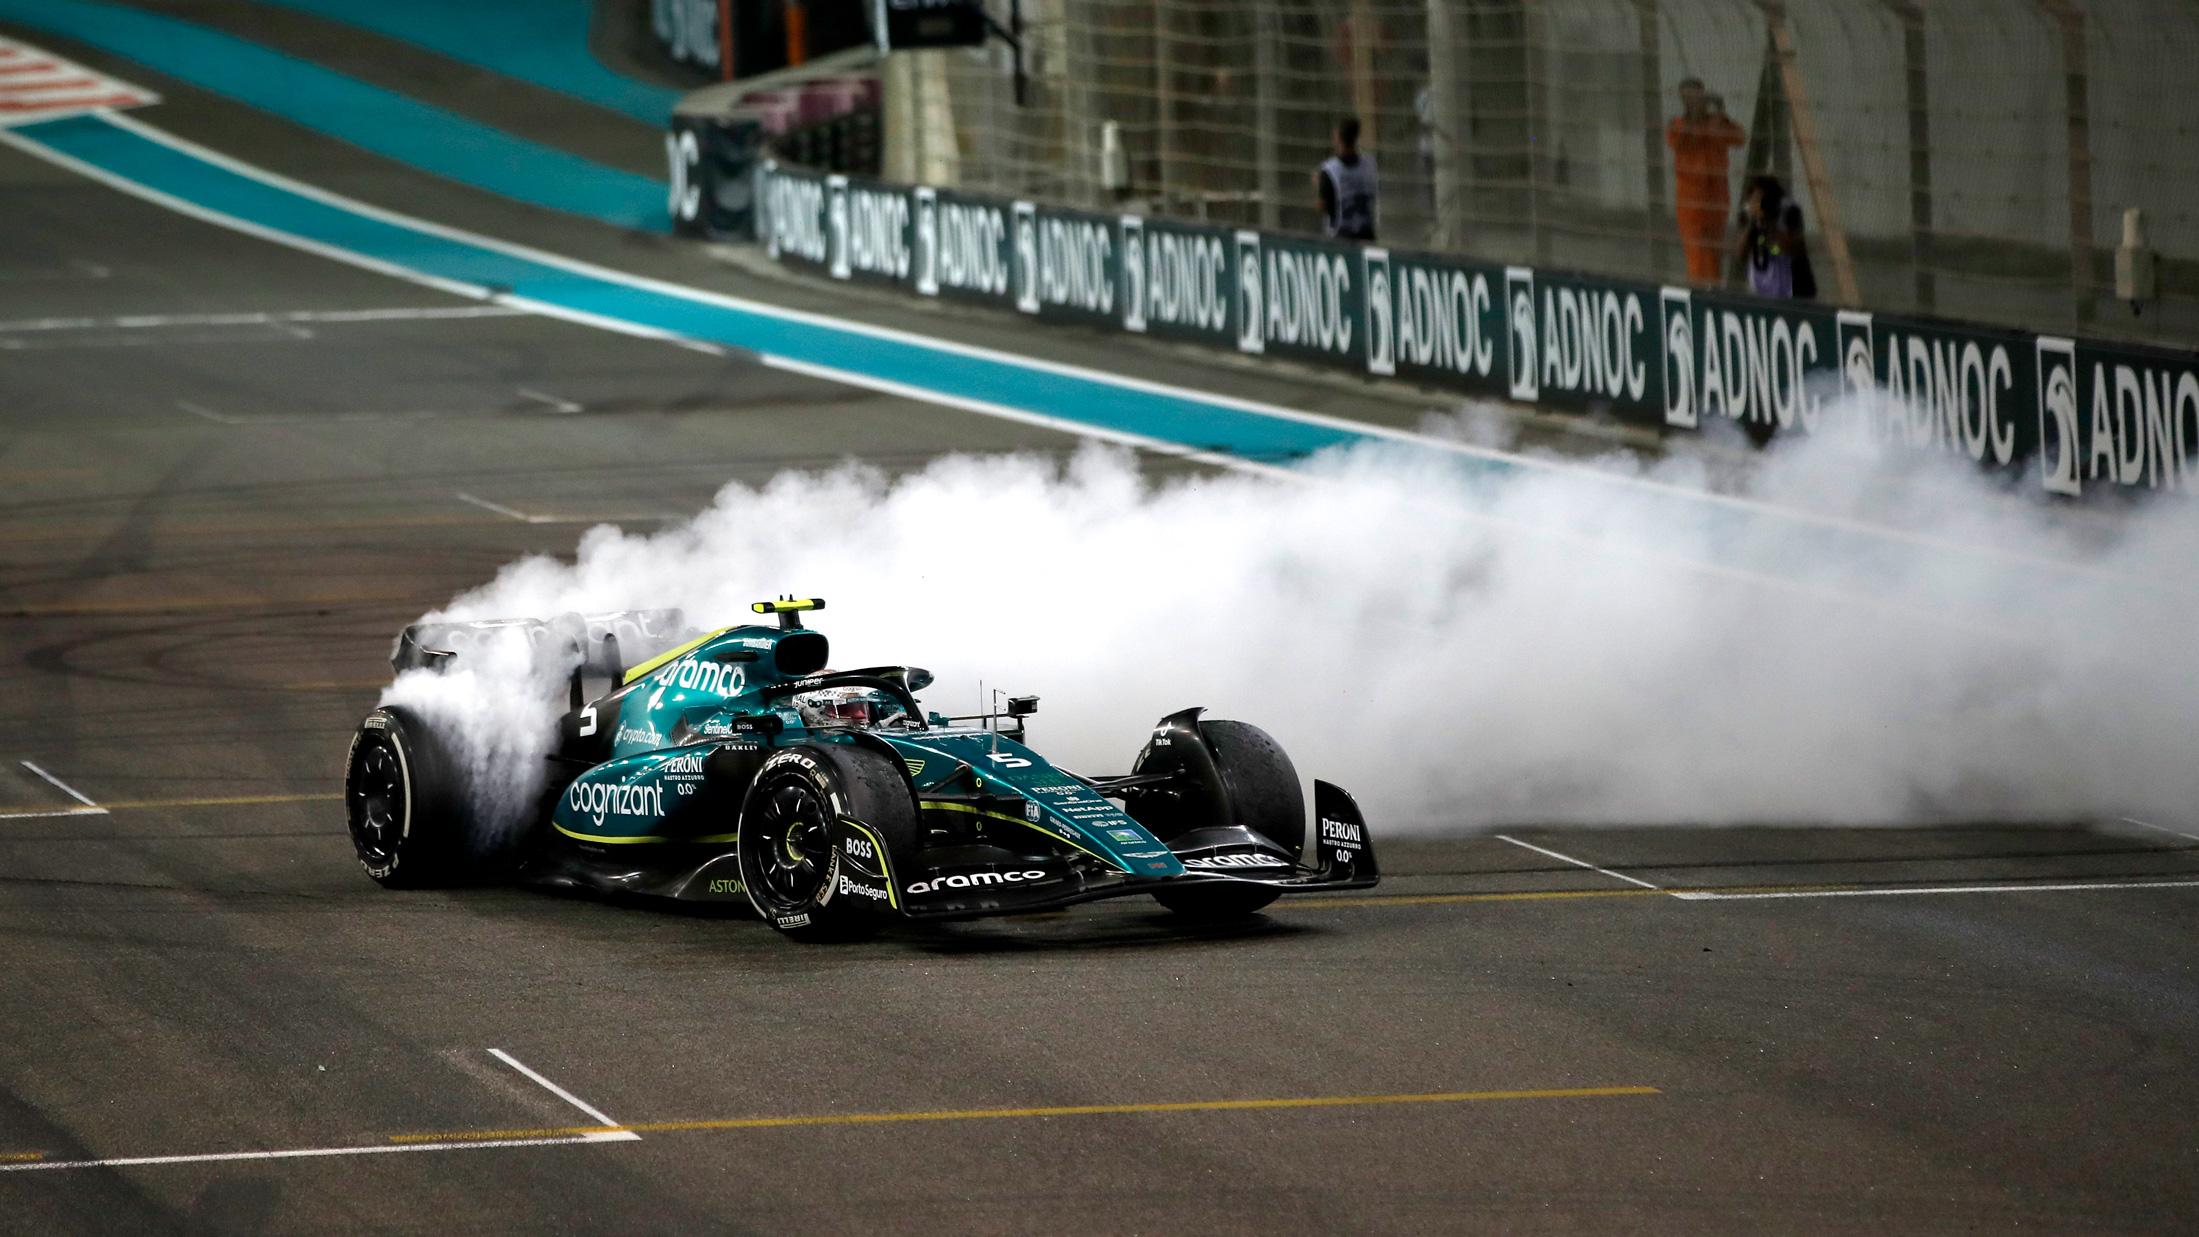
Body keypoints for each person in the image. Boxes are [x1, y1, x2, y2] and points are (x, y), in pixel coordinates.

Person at [1666, 79, 1745, 284]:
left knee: (1713, 253)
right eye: (1688, 97)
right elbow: (1679, 139)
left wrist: (1721, 115)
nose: (1694, 101)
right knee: (1696, 254)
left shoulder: (1716, 123)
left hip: (1716, 198)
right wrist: (1703, 121)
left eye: (1697, 96)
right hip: (1691, 200)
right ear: (1683, 100)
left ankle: (1713, 293)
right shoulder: (1679, 125)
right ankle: (1700, 295)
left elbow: (1739, 138)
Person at [1738, 174, 1815, 299]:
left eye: (1762, 200)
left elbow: (1792, 250)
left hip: (1791, 291)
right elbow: (1742, 255)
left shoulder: (1789, 212)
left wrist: (1770, 222)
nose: (1758, 205)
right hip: (1760, 290)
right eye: (1754, 200)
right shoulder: (1751, 219)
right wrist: (1752, 222)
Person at [1315, 116, 1379, 241]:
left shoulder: (1330, 170)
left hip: (1341, 237)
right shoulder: (1370, 164)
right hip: (1366, 234)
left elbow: (1322, 205)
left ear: (1337, 138)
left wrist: (1318, 185)